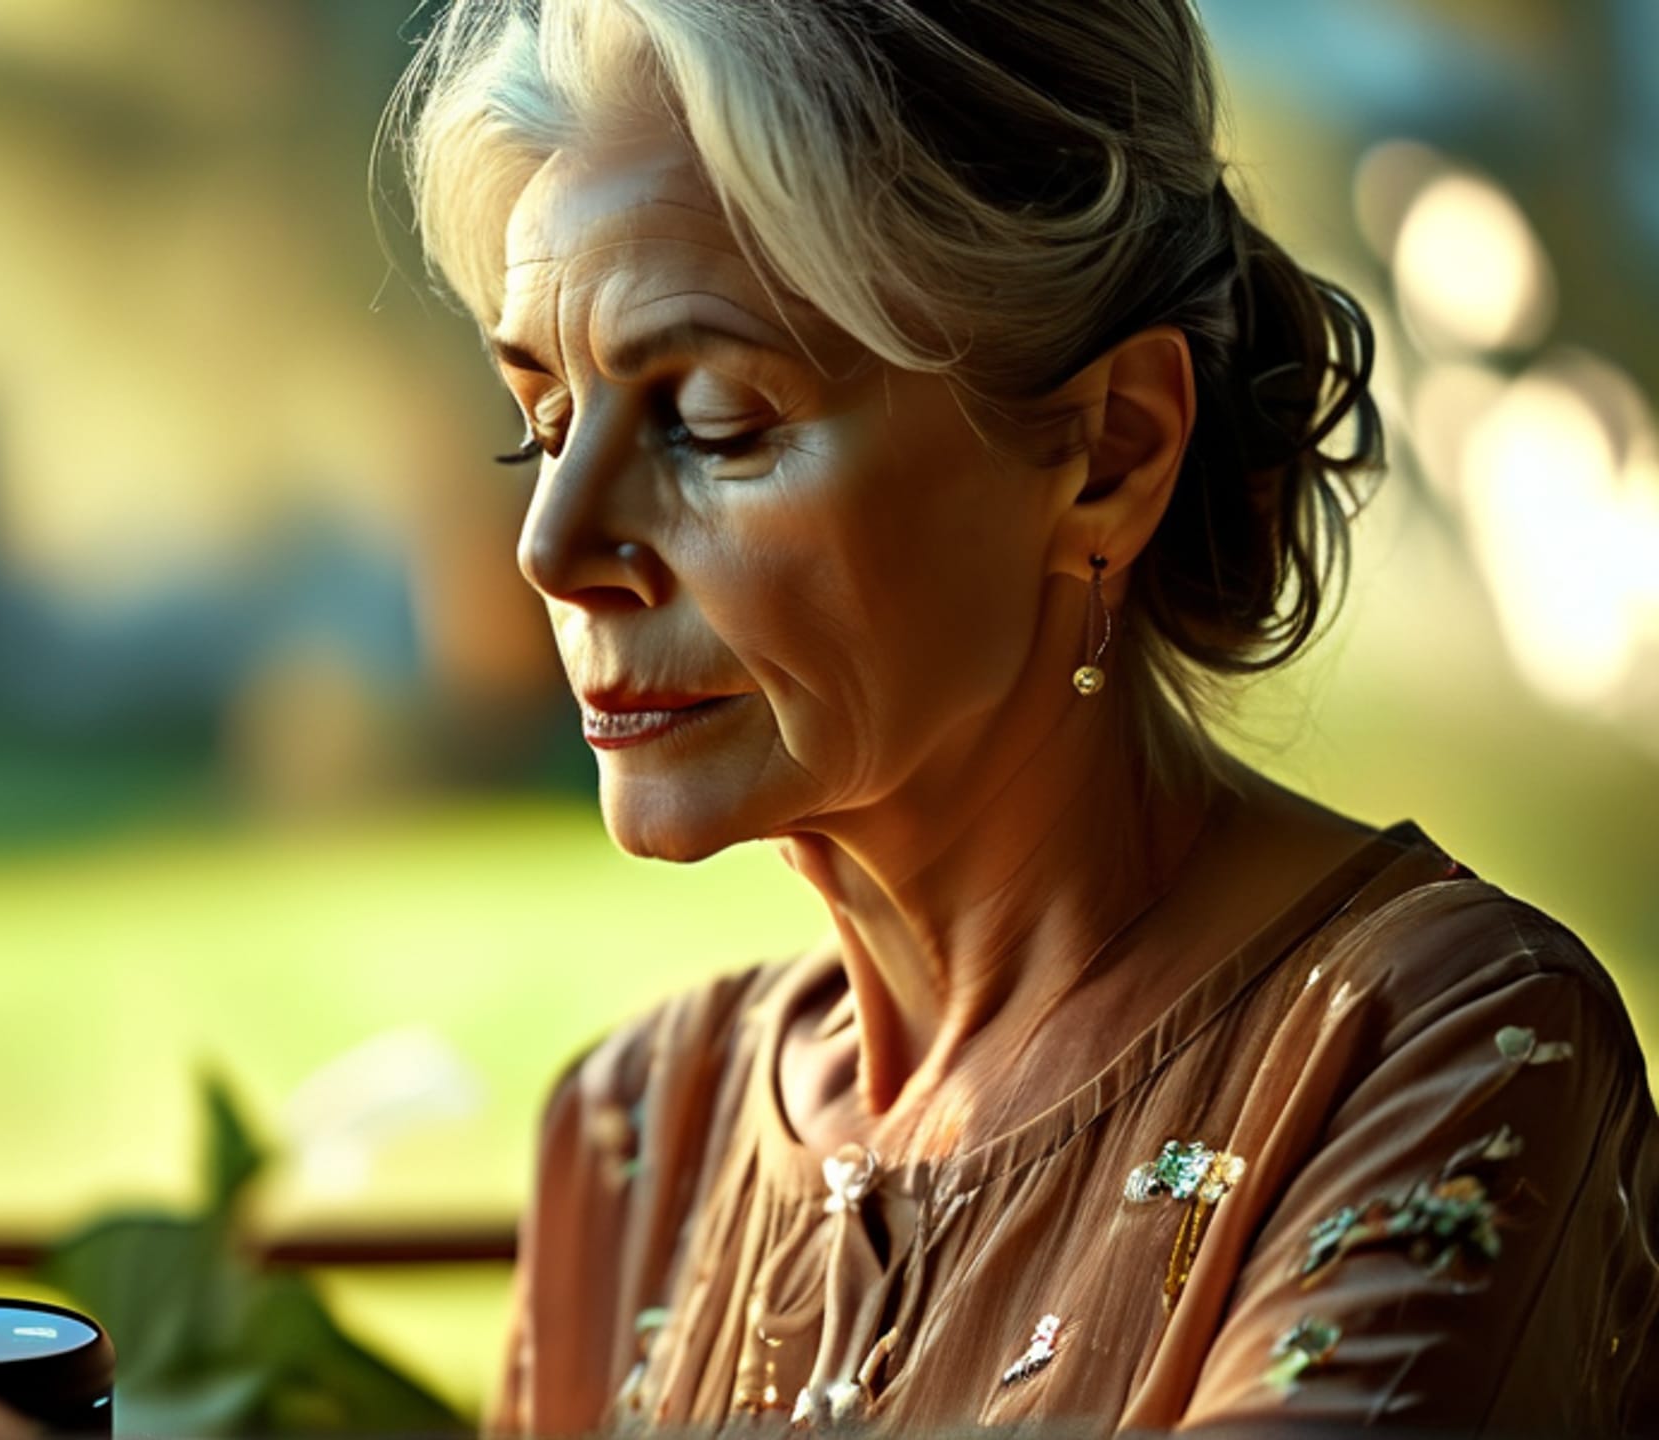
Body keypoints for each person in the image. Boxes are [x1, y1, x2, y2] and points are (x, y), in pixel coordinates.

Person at [383, 0, 1659, 1433]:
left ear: (1111, 451)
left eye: (716, 420)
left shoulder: (1428, 1053)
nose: (552, 547)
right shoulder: (634, 1138)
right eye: (545, 422)